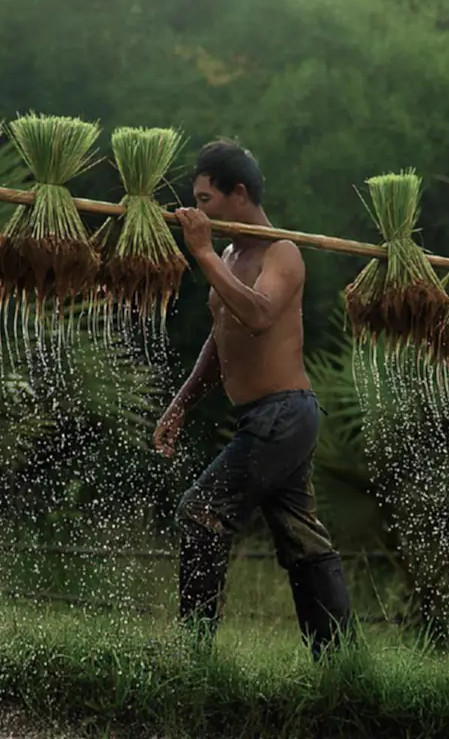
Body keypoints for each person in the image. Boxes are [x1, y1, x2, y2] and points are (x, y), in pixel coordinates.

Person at [153, 138, 354, 660]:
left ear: (237, 193)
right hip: (264, 419)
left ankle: (193, 656)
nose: (198, 211)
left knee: (201, 511)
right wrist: (179, 406)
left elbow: (260, 316)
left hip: (284, 413)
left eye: (205, 200)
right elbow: (220, 340)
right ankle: (340, 664)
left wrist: (199, 253)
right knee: (303, 543)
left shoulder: (280, 252)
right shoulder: (228, 255)